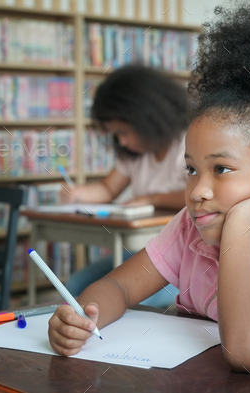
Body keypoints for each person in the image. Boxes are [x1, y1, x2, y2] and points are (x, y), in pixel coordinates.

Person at [49, 0, 250, 372]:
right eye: (191, 170)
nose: (197, 191)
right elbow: (119, 287)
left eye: (220, 169)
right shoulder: (192, 229)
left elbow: (249, 353)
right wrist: (81, 318)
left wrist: (240, 226)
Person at [61, 65, 188, 306]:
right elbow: (108, 189)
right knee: (75, 286)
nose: (121, 141)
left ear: (147, 118)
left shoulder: (188, 144)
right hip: (142, 253)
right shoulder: (134, 153)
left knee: (135, 302)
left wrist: (151, 199)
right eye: (115, 135)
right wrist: (78, 193)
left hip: (180, 259)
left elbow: (196, 196)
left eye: (123, 132)